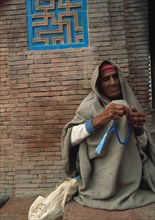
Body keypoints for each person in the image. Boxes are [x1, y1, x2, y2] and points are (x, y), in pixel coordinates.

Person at [61, 60, 155, 210]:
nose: (112, 82)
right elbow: (69, 138)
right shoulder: (90, 105)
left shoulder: (130, 104)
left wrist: (138, 129)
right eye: (106, 79)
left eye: (115, 77)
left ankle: (125, 187)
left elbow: (142, 146)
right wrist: (98, 121)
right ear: (98, 84)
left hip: (129, 170)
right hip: (100, 172)